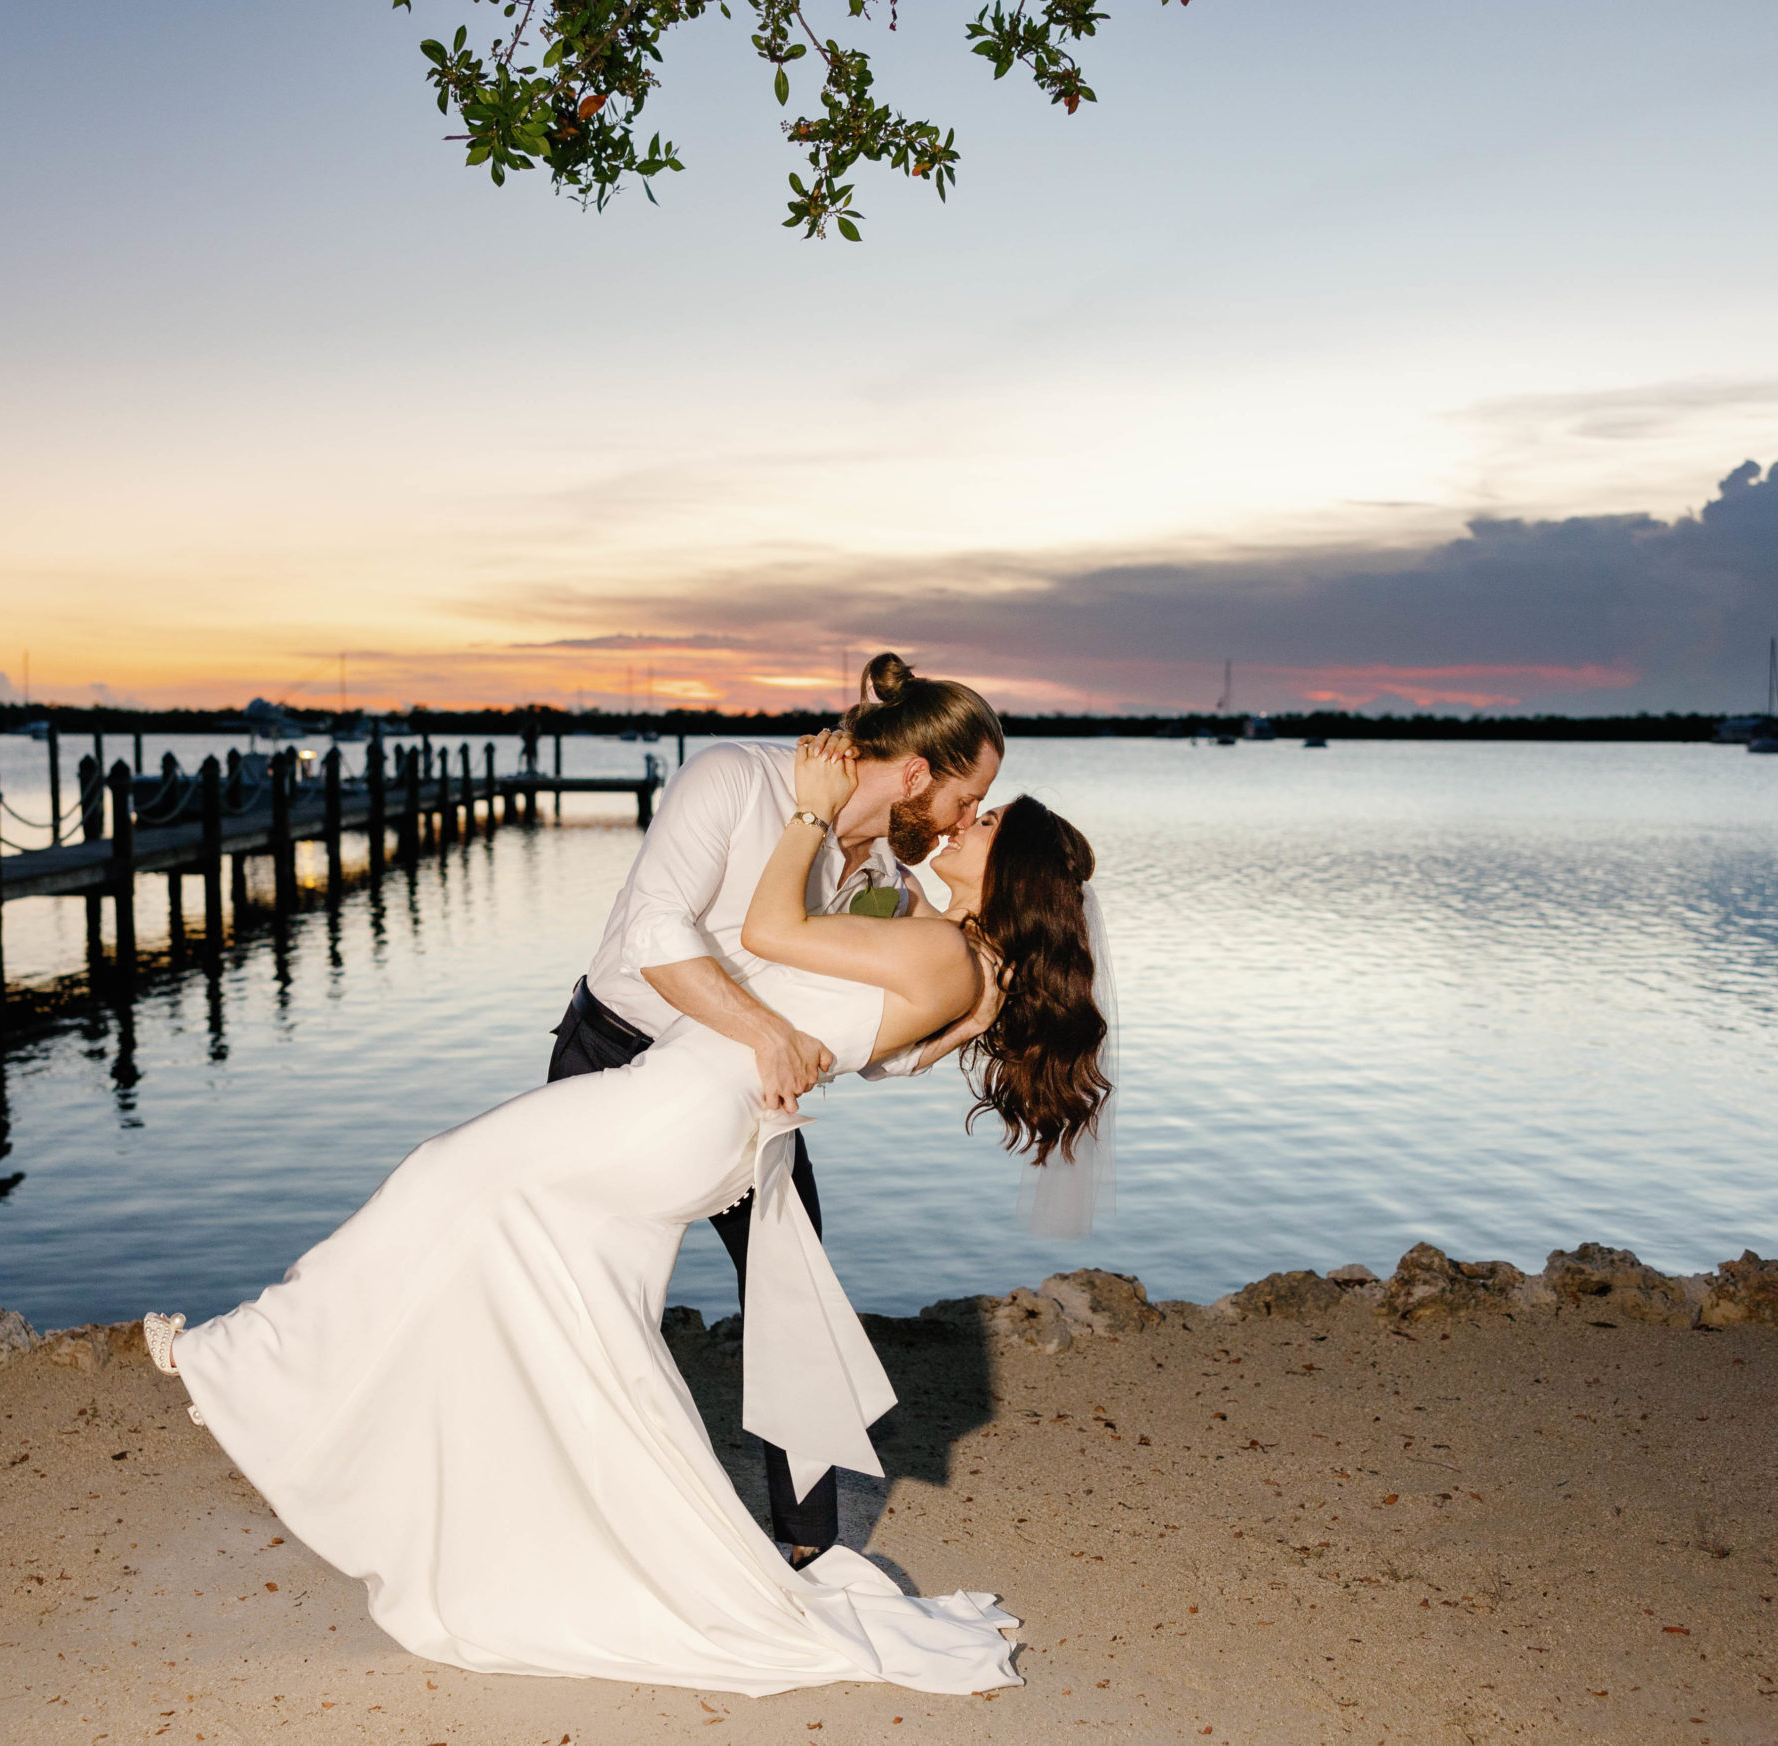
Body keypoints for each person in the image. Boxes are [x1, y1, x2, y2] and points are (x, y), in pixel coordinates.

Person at [142, 733, 1111, 1697]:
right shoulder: (968, 968)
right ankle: (563, 1535)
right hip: (693, 1117)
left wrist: (810, 811)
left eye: (986, 821)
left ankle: (246, 1358)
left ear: (1012, 866)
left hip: (669, 1109)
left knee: (439, 1176)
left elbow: (770, 934)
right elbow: (872, 1044)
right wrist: (967, 1018)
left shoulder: (937, 944)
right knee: (575, 1329)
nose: (963, 820)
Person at [547, 652, 1004, 1568]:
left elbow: (864, 1043)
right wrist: (764, 1031)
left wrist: (963, 1020)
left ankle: (807, 1543)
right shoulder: (734, 778)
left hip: (752, 1090)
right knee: (587, 1296)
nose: (965, 819)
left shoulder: (881, 877)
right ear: (918, 774)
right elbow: (654, 931)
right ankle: (585, 1515)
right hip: (616, 1057)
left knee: (793, 1290)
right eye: (968, 796)